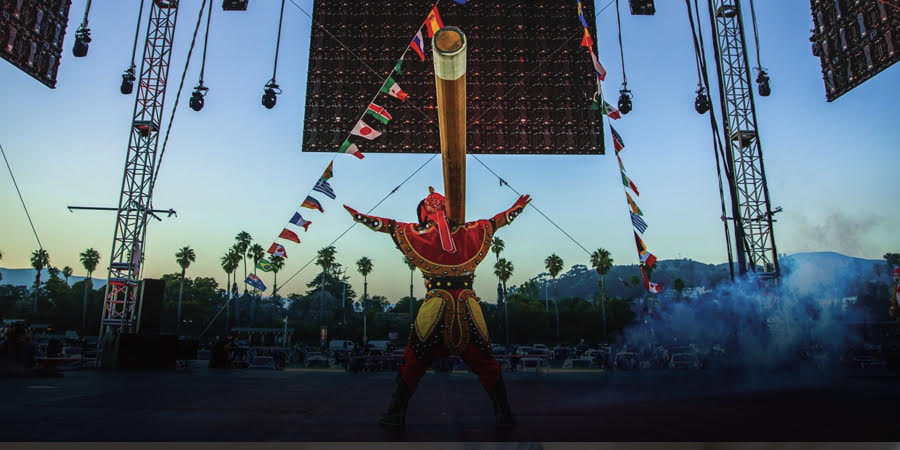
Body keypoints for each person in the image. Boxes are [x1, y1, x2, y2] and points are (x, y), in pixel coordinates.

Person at [344, 187, 530, 429]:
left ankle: (395, 413)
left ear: (424, 214)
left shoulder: (418, 235)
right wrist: (516, 209)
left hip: (434, 307)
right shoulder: (473, 231)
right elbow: (496, 222)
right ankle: (504, 414)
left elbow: (388, 226)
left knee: (413, 363)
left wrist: (361, 217)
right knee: (487, 364)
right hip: (468, 306)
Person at [890, 267, 900, 333]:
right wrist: (892, 309)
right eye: (895, 275)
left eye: (898, 275)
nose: (896, 277)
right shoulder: (894, 288)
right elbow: (893, 301)